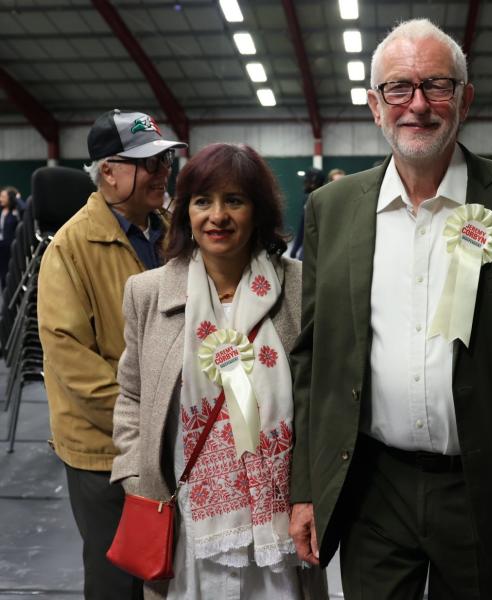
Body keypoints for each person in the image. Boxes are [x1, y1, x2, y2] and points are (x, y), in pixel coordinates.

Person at [288, 18, 492, 599]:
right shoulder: (333, 210)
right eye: (399, 88)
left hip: (482, 488)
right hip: (371, 486)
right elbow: (313, 363)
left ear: (466, 99)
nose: (418, 105)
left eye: (438, 86)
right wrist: (306, 487)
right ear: (376, 106)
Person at [109, 143, 326, 599]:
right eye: (203, 201)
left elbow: (322, 397)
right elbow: (130, 397)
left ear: (258, 211)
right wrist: (136, 474)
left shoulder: (302, 287)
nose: (217, 216)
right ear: (185, 211)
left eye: (235, 200)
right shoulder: (148, 293)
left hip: (278, 525)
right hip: (186, 520)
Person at [37, 109, 185, 600]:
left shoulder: (170, 233)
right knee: (116, 577)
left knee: (168, 570)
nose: (163, 172)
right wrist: (145, 418)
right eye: (150, 164)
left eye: (165, 161)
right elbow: (69, 359)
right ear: (108, 172)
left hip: (170, 438)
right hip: (106, 452)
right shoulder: (70, 248)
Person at [290, 168, 325, 260]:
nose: (304, 184)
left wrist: (295, 249)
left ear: (313, 183)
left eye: (307, 181)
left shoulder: (312, 199)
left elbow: (304, 226)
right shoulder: (317, 197)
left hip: (313, 249)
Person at [0, 186, 20, 288]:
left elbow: (24, 208)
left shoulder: (15, 212)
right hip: (2, 248)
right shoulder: (3, 212)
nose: (1, 199)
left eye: (3, 196)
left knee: (10, 275)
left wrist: (17, 198)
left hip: (11, 249)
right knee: (2, 276)